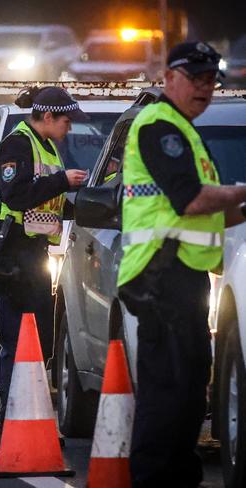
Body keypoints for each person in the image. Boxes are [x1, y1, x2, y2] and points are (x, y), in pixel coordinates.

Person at [117, 41, 246, 488]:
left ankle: (176, 478)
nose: (204, 88)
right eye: (195, 78)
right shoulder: (160, 126)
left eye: (211, 80)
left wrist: (241, 206)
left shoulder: (188, 132)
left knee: (191, 394)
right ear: (169, 77)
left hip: (183, 278)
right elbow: (190, 199)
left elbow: (214, 211)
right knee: (169, 394)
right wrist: (242, 191)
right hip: (160, 274)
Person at [0, 87, 88, 447]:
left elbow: (49, 205)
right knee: (18, 344)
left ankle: (29, 421)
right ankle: (9, 428)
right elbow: (16, 194)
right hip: (9, 254)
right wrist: (62, 181)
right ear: (49, 117)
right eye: (67, 121)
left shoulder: (45, 147)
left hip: (31, 253)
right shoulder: (17, 144)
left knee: (38, 343)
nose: (69, 129)